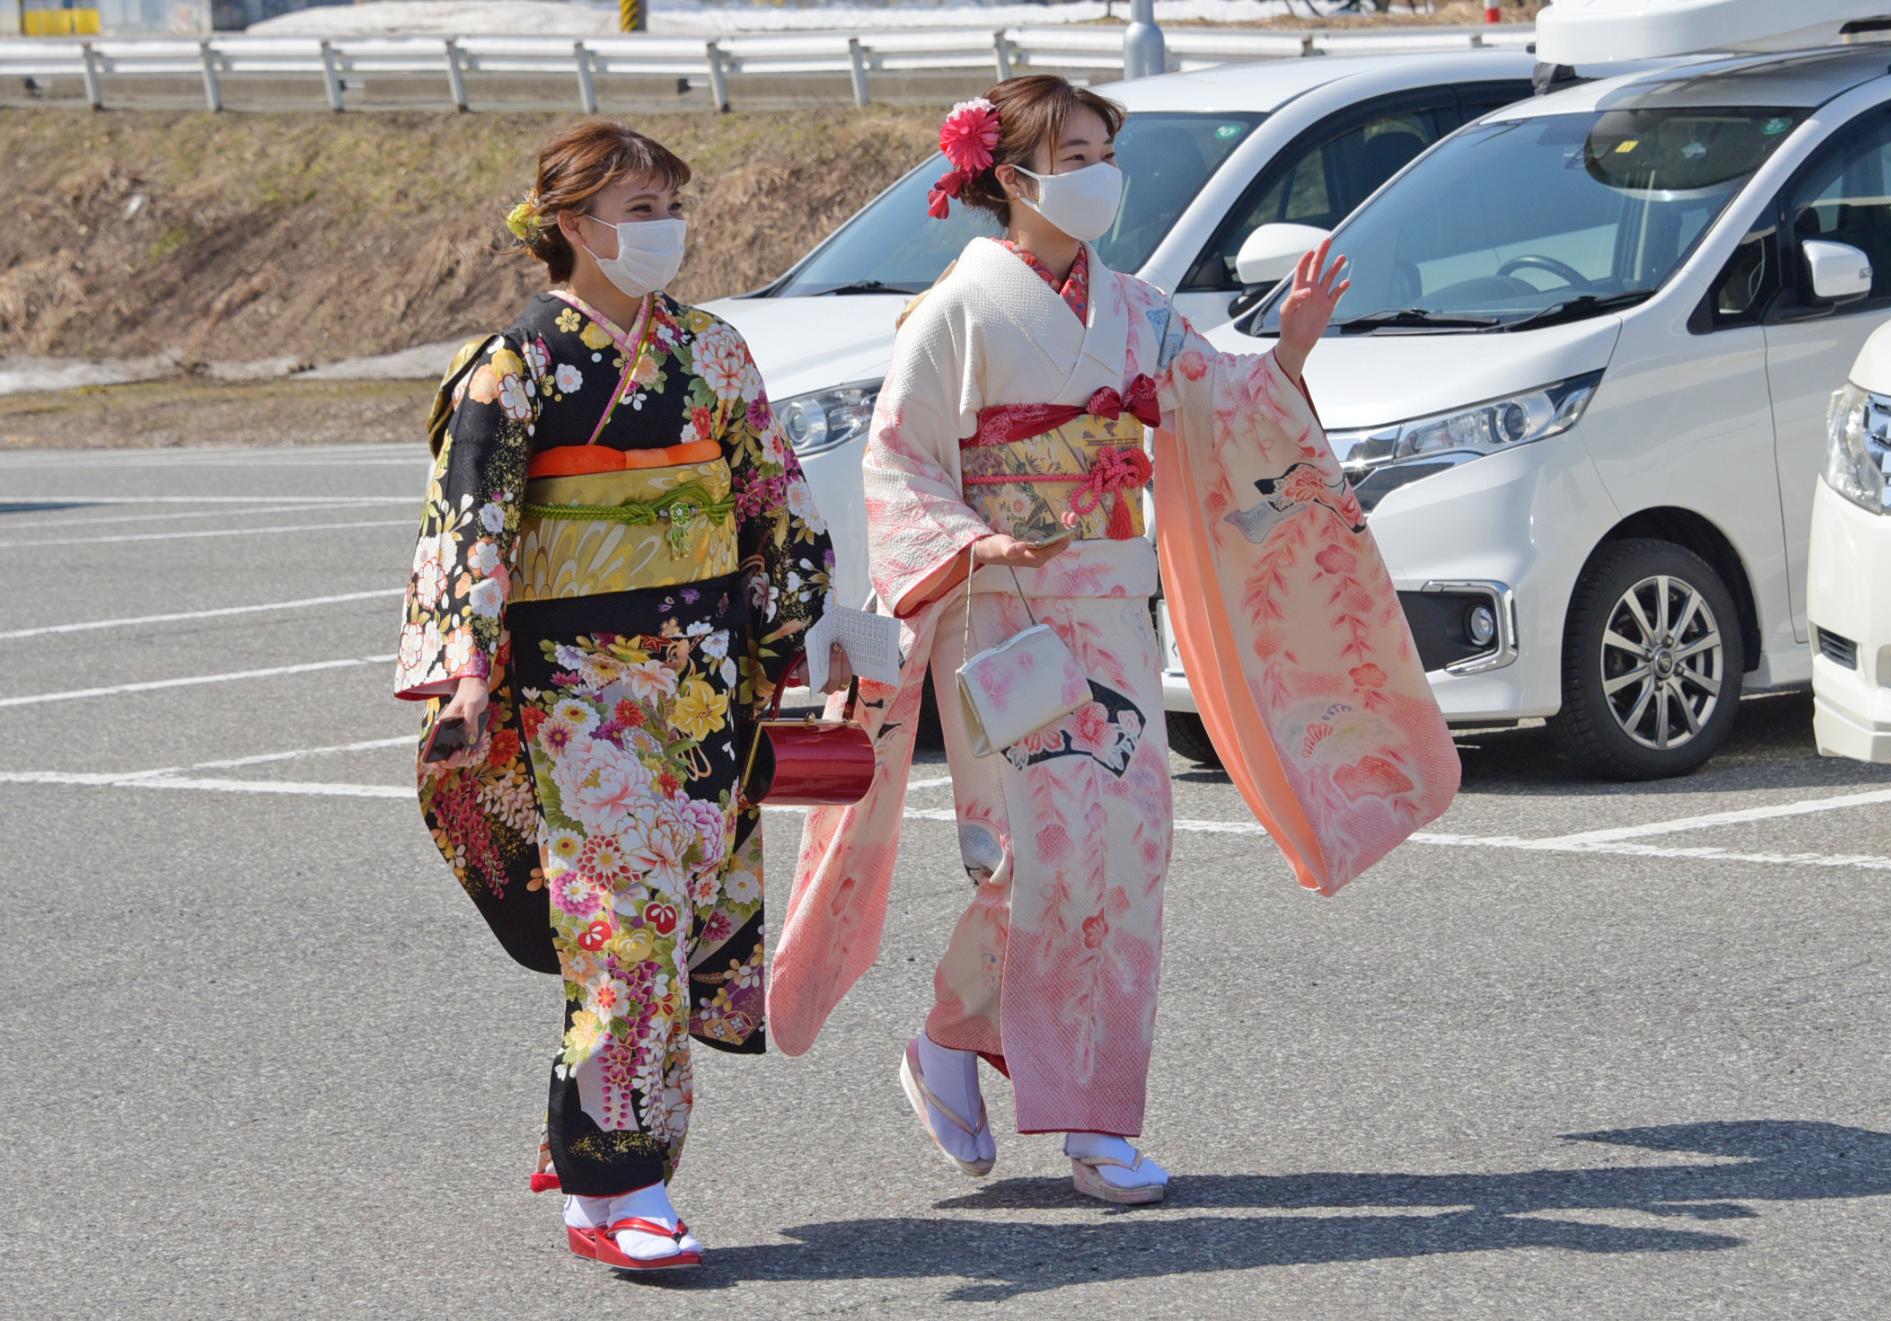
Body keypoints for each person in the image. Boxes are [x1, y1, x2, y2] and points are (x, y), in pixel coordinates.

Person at [766, 76, 1459, 1205]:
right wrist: (972, 542)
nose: (1098, 174)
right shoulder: (956, 310)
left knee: (1126, 856)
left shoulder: (1133, 308)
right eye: (1074, 153)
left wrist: (1282, 357)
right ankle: (1016, 1082)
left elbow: (1215, 407)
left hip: (1105, 604)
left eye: (1101, 151)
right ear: (1010, 175)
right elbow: (899, 460)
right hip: (1001, 613)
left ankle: (1027, 1080)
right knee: (1030, 856)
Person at [393, 120, 838, 1270]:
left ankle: (597, 1170)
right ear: (569, 225)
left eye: (667, 205)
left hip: (698, 680)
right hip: (574, 687)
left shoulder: (712, 349)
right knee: (624, 928)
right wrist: (473, 671)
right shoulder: (515, 365)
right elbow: (473, 523)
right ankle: (624, 1182)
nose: (662, 230)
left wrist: (791, 626)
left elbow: (769, 497)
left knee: (670, 924)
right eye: (637, 210)